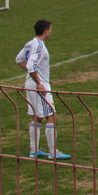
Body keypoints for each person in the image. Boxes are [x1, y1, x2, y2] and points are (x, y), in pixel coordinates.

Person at [14, 20, 71, 160]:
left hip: (30, 83)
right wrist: (39, 82)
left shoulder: (30, 43)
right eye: (50, 29)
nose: (51, 32)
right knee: (51, 115)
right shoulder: (39, 46)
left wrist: (32, 76)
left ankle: (34, 151)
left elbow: (19, 59)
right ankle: (53, 152)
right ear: (45, 31)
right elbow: (31, 65)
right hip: (39, 85)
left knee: (37, 116)